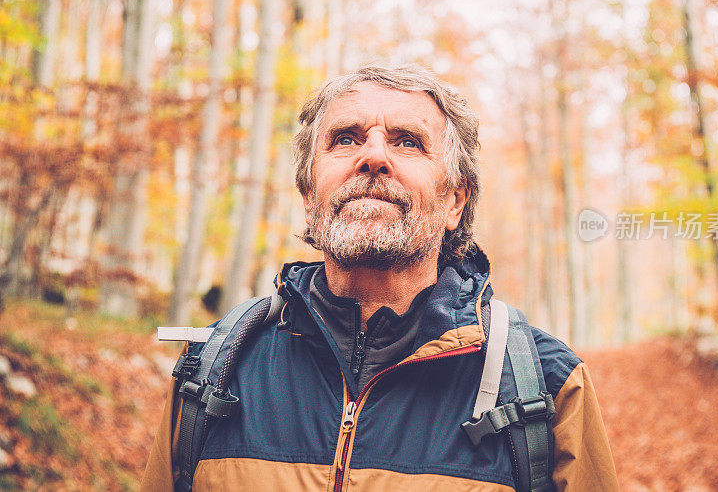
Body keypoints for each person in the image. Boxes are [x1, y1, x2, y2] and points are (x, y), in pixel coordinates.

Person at [142, 65, 619, 491]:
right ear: (309, 195)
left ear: (455, 200)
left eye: (407, 141)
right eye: (345, 138)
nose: (372, 157)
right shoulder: (213, 366)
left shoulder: (549, 386)